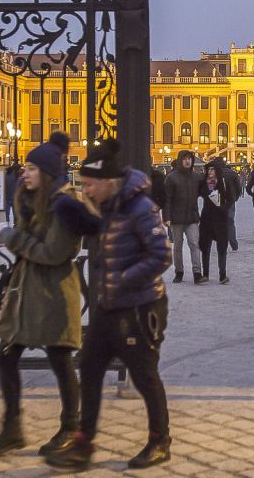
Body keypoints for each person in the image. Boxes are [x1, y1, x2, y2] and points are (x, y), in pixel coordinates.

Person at [46, 138, 172, 471]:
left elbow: (162, 254)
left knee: (144, 376)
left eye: (88, 184)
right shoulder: (108, 207)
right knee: (88, 369)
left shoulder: (141, 208)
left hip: (140, 307)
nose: (85, 190)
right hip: (108, 306)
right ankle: (84, 443)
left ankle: (160, 441)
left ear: (107, 182)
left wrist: (124, 278)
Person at [0, 133, 85, 459]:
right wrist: (18, 210)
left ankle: (71, 427)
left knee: (60, 358)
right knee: (6, 356)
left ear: (48, 173)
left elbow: (53, 252)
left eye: (31, 168)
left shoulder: (67, 206)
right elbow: (31, 239)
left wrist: (9, 236)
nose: (24, 173)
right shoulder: (33, 199)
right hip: (28, 291)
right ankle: (12, 429)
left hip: (54, 292)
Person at [164, 150, 203, 284]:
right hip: (176, 218)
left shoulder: (197, 177)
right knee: (178, 246)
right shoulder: (171, 177)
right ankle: (179, 271)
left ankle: (197, 272)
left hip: (192, 217)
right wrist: (167, 216)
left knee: (194, 244)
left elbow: (205, 191)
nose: (187, 161)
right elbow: (167, 199)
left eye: (189, 159)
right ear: (181, 160)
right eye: (185, 159)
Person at [198, 160, 233, 283]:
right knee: (205, 247)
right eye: (209, 169)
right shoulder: (203, 183)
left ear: (217, 171)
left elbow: (231, 199)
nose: (210, 171)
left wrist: (223, 208)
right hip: (207, 218)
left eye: (213, 169)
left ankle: (222, 274)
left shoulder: (223, 182)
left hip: (220, 218)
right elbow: (197, 194)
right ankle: (205, 274)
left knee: (222, 247)